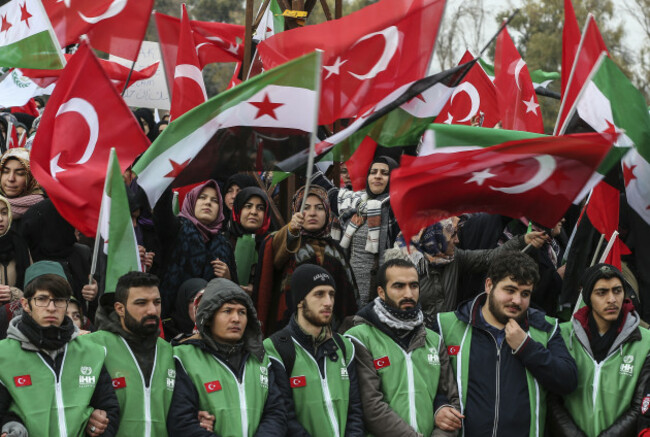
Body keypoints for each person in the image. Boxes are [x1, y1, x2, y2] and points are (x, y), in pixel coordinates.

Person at [435, 251, 577, 437]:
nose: (517, 300)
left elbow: (568, 380)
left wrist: (526, 347)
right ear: (489, 285)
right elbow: (428, 382)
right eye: (510, 290)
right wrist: (439, 407)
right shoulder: (447, 325)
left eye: (525, 293)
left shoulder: (546, 328)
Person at [0, 261, 119, 436]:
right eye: (42, 299)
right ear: (25, 304)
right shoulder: (4, 354)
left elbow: (109, 410)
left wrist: (97, 424)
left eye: (59, 300)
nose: (51, 308)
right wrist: (12, 425)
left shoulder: (92, 351)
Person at [346, 257, 462, 436]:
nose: (408, 293)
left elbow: (452, 401)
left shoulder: (433, 339)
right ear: (381, 292)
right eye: (399, 286)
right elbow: (371, 407)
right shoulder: (359, 337)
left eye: (414, 286)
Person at [169, 278, 286, 436]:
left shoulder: (261, 358)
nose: (236, 319)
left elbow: (276, 413)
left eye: (242, 312)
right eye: (227, 311)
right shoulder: (183, 358)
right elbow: (181, 421)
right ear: (209, 317)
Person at [548, 263, 650, 437]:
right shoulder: (562, 335)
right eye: (602, 292)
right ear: (587, 296)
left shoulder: (645, 340)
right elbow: (552, 398)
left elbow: (640, 405)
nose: (612, 299)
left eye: (617, 291)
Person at [264, 264, 364, 436]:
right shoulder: (275, 348)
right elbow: (284, 416)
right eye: (319, 294)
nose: (328, 302)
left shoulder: (344, 346)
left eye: (331, 294)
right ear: (300, 301)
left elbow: (355, 410)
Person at [394, 217, 548, 323]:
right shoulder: (403, 264)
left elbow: (490, 258)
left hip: (444, 336)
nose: (457, 240)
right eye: (452, 235)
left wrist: (522, 241)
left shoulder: (455, 258)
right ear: (436, 238)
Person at [87, 271, 182, 436]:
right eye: (141, 303)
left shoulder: (169, 351)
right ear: (120, 309)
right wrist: (88, 417)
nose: (152, 310)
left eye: (157, 302)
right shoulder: (91, 346)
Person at [256, 185, 357, 334]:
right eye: (306, 207)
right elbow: (274, 254)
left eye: (319, 208)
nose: (312, 213)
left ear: (328, 212)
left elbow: (348, 294)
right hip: (289, 329)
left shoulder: (336, 249)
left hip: (331, 331)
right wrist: (291, 230)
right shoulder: (289, 240)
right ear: (296, 212)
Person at [312, 157, 400, 306]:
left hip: (381, 295)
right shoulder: (356, 202)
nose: (377, 176)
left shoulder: (398, 207)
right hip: (350, 291)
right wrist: (306, 163)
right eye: (373, 172)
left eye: (384, 173)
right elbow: (328, 191)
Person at [154, 180, 236, 318]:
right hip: (168, 319)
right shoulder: (176, 229)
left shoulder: (225, 245)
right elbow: (161, 208)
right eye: (202, 197)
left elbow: (235, 292)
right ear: (191, 201)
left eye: (214, 200)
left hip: (211, 323)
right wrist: (167, 176)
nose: (208, 202)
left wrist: (228, 278)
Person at [226, 187, 272, 294]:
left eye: (260, 208)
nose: (254, 212)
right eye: (248, 206)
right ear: (238, 210)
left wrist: (257, 290)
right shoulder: (224, 242)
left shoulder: (271, 243)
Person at [0, 148, 45, 232]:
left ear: (31, 177)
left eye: (20, 173)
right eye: (5, 171)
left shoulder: (43, 211)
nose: (11, 178)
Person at [0, 196, 31, 290]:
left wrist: (13, 294)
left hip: (18, 303)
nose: (0, 219)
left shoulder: (20, 244)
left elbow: (31, 288)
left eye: (4, 213)